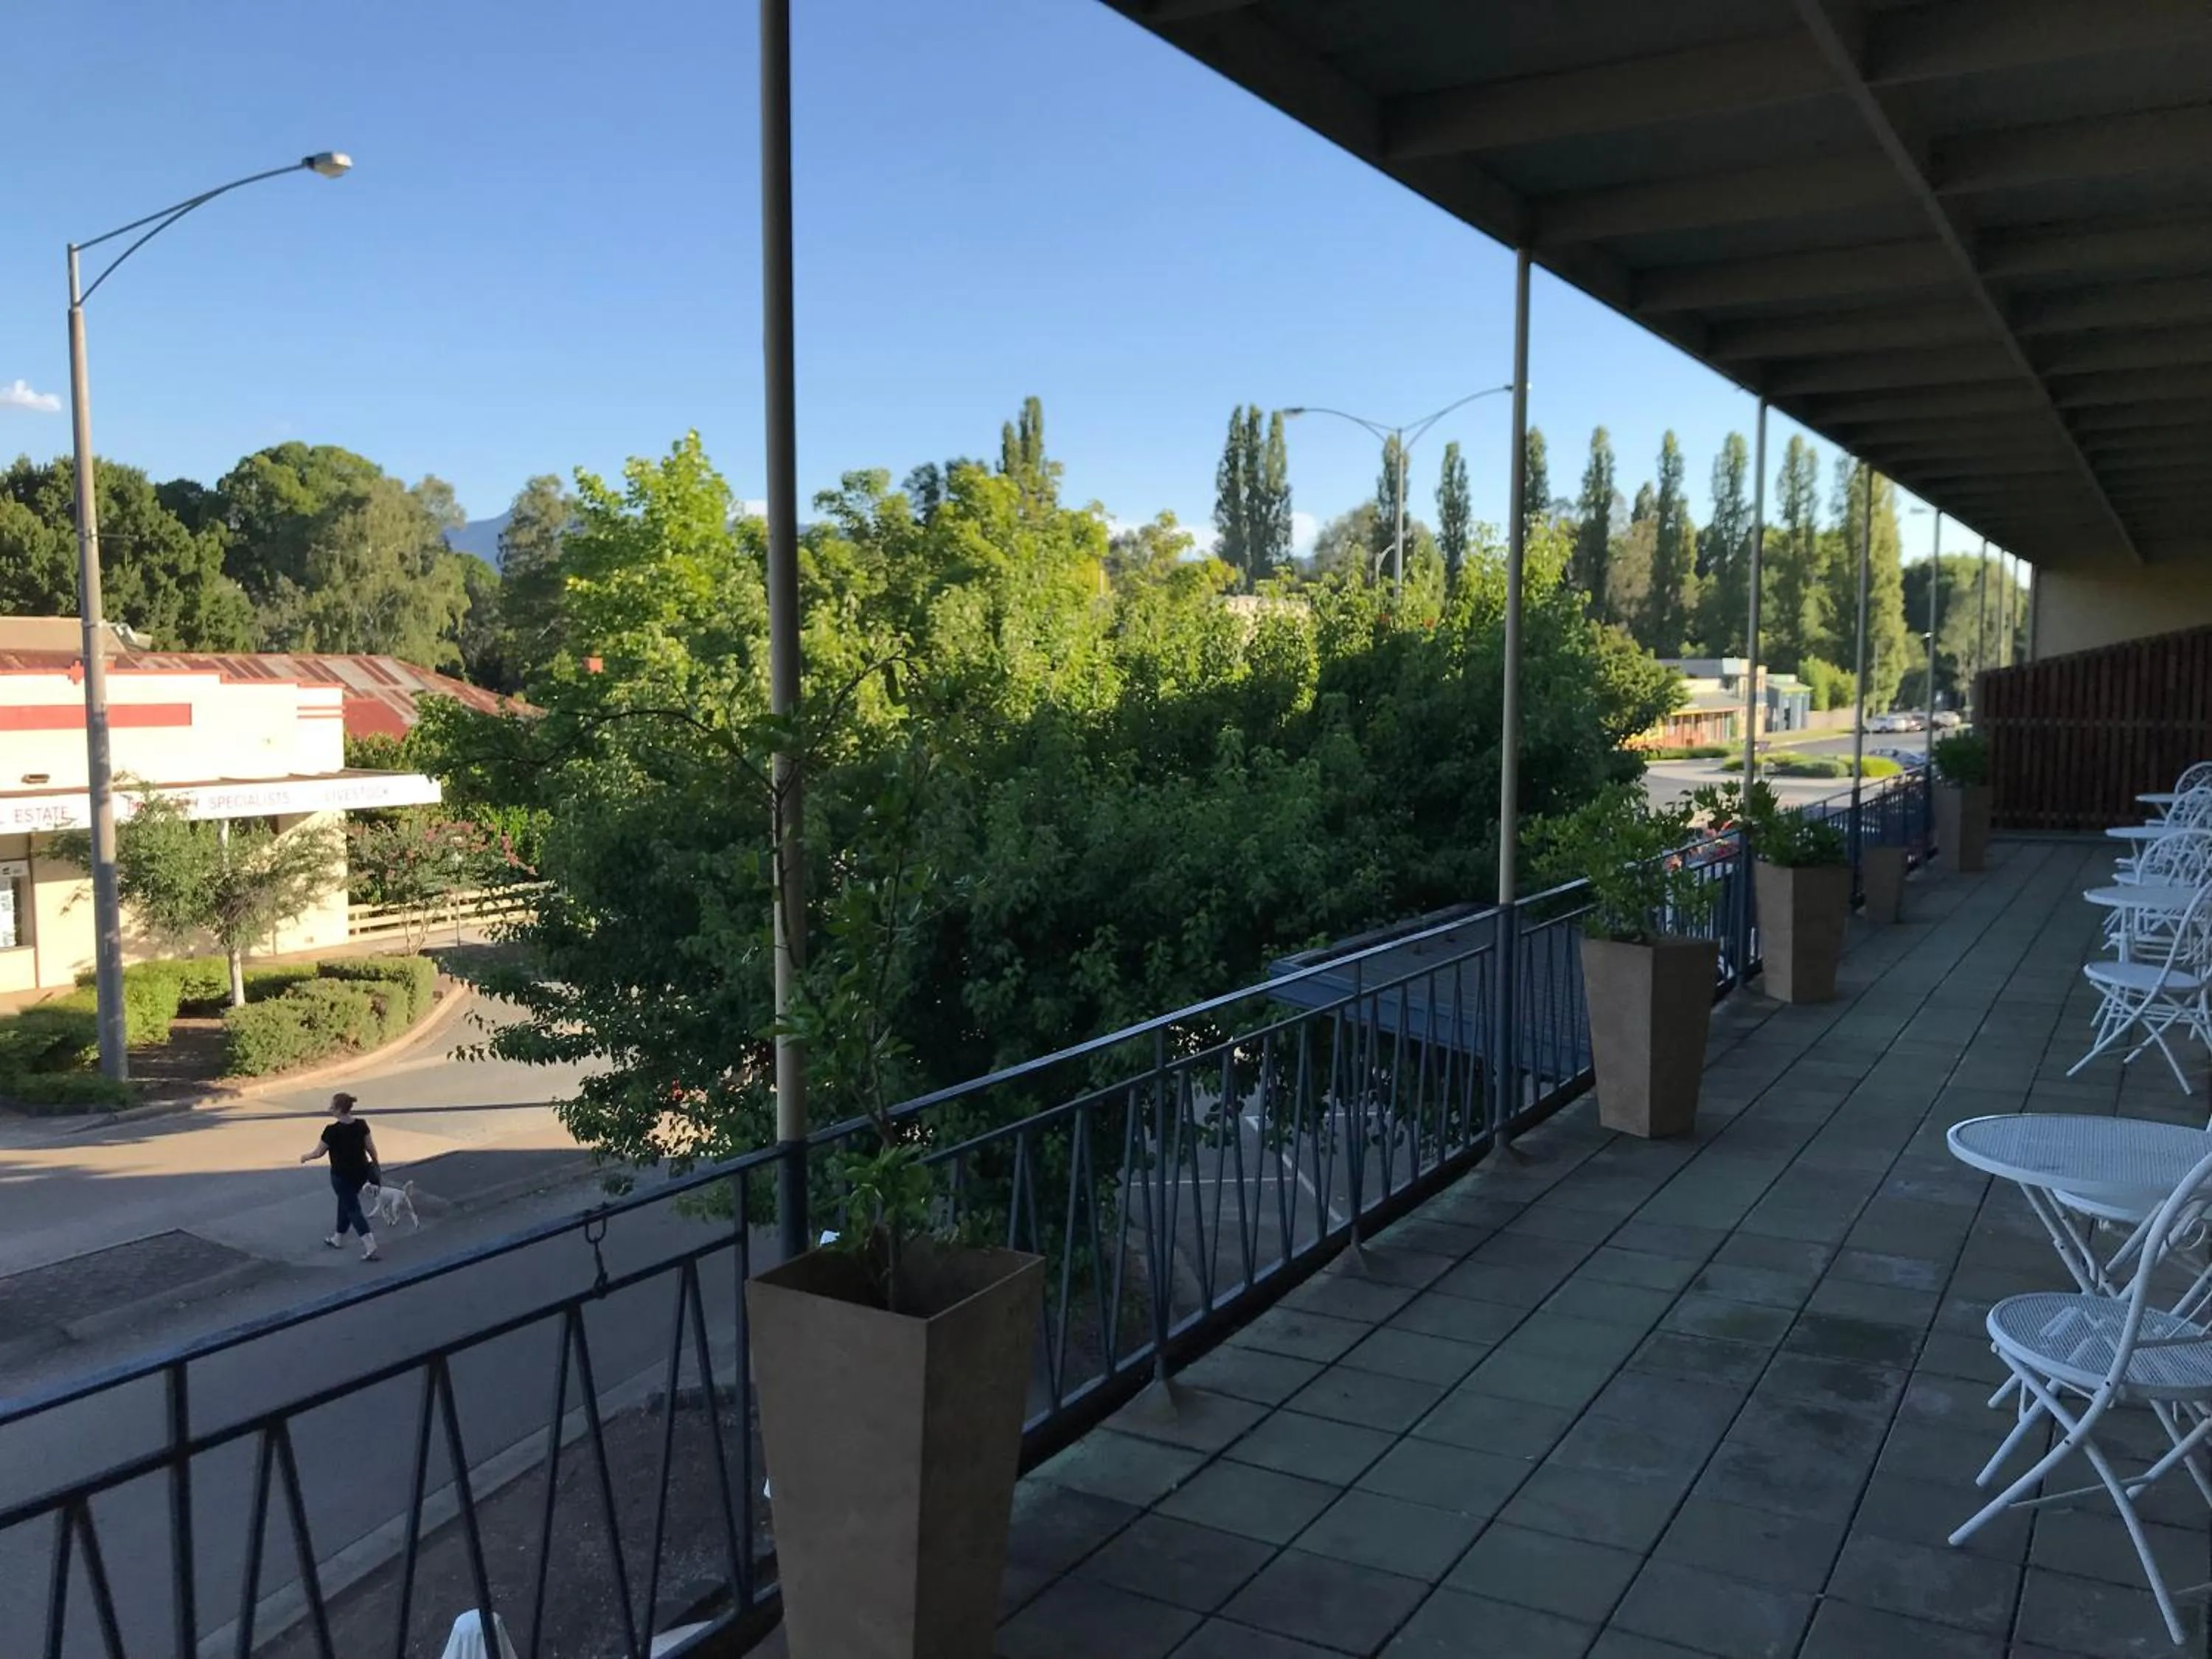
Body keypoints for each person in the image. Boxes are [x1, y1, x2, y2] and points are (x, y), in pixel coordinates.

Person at [300, 1092, 381, 1261]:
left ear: (338, 1109)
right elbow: (371, 1148)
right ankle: (338, 1237)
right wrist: (375, 1164)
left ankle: (370, 1244)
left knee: (353, 1208)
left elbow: (318, 1153)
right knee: (345, 1201)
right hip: (361, 1172)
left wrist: (305, 1157)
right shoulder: (361, 1125)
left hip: (341, 1176)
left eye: (332, 1106)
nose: (330, 1109)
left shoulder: (332, 1131)